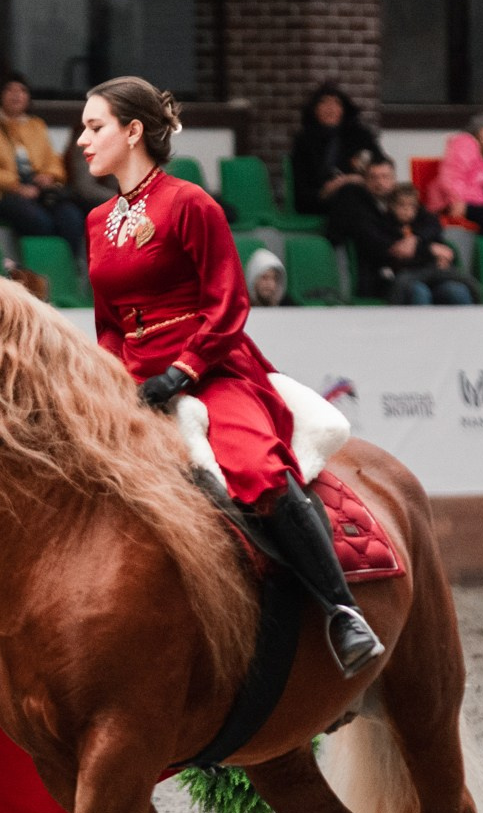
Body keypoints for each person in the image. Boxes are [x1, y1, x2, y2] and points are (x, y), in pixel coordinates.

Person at [77, 74, 383, 675]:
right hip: (133, 379)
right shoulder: (97, 221)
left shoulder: (190, 203)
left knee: (257, 469)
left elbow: (228, 304)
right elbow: (108, 323)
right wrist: (111, 379)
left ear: (133, 131)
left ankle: (342, 612)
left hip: (210, 365)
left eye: (94, 127)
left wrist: (182, 371)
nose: (82, 141)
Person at [0, 73, 85, 258]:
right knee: (39, 221)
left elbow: (53, 160)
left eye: (22, 90)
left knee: (71, 217)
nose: (16, 95)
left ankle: (67, 268)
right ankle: (41, 267)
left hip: (36, 191)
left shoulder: (36, 125)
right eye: (9, 90)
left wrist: (49, 176)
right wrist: (16, 186)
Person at [331, 157, 473, 305]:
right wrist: (431, 250)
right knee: (419, 292)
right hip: (386, 277)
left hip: (426, 272)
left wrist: (417, 240)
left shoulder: (407, 201)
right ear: (365, 181)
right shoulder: (361, 208)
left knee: (457, 291)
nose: (380, 182)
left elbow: (432, 224)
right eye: (374, 177)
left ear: (394, 179)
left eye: (385, 177)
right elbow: (391, 247)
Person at [289, 82, 384, 217]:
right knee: (349, 201)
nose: (330, 108)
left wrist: (353, 180)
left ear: (344, 109)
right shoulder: (304, 141)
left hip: (358, 193)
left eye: (336, 103)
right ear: (314, 109)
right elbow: (301, 188)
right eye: (324, 103)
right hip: (319, 200)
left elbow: (380, 164)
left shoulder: (360, 136)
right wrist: (327, 190)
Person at [424, 112, 483, 235]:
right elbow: (450, 177)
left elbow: (482, 185)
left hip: (474, 201)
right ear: (477, 129)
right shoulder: (465, 142)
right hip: (450, 202)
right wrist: (456, 201)